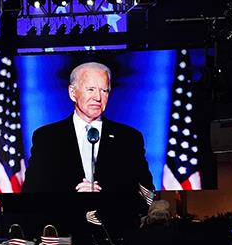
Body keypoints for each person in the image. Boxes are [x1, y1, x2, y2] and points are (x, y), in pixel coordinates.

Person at [22, 61, 154, 194]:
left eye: (104, 90)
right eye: (90, 89)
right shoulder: (47, 138)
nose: (98, 97)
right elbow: (31, 192)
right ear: (72, 92)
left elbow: (147, 194)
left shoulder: (129, 138)